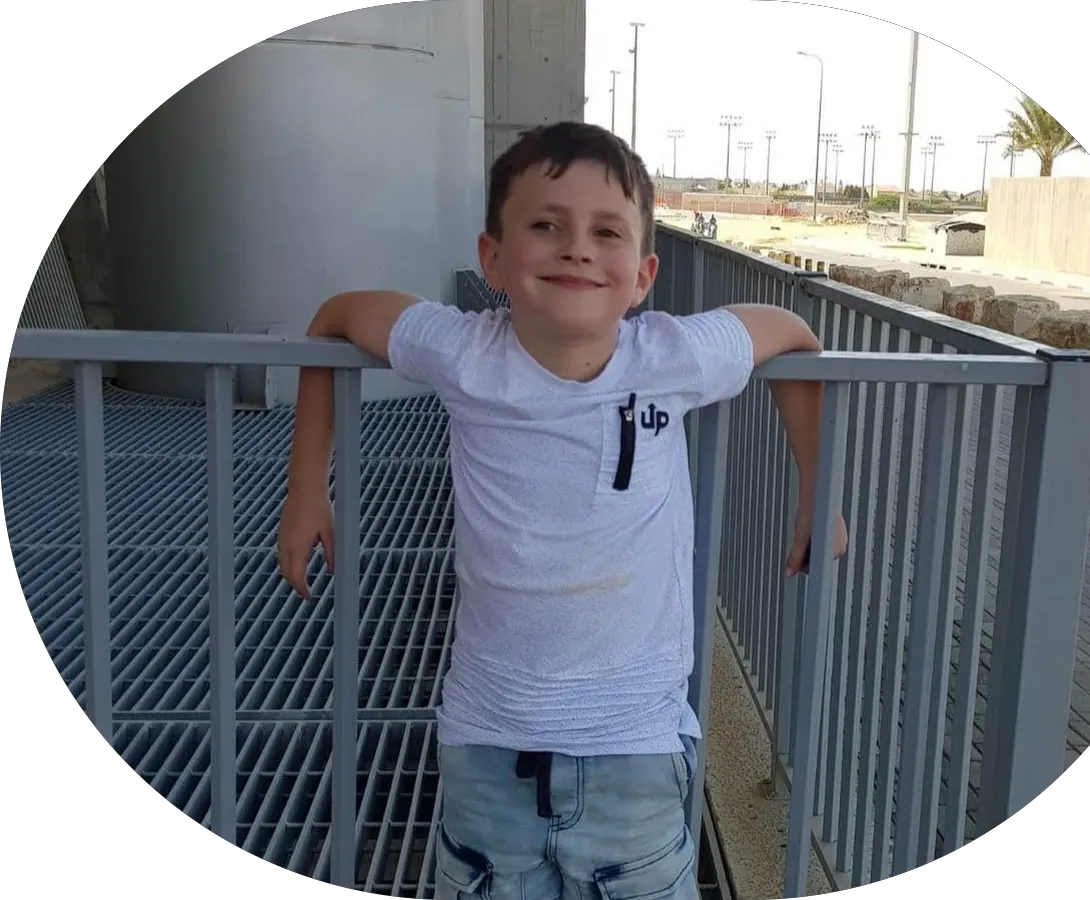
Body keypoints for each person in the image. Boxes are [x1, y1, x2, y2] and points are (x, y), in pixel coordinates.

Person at [276, 121, 848, 900]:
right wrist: (307, 490)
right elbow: (337, 316)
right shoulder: (462, 351)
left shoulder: (672, 355)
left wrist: (818, 493)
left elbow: (796, 337)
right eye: (545, 225)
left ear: (642, 274)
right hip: (487, 750)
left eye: (606, 232)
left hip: (636, 754)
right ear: (492, 258)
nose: (577, 248)